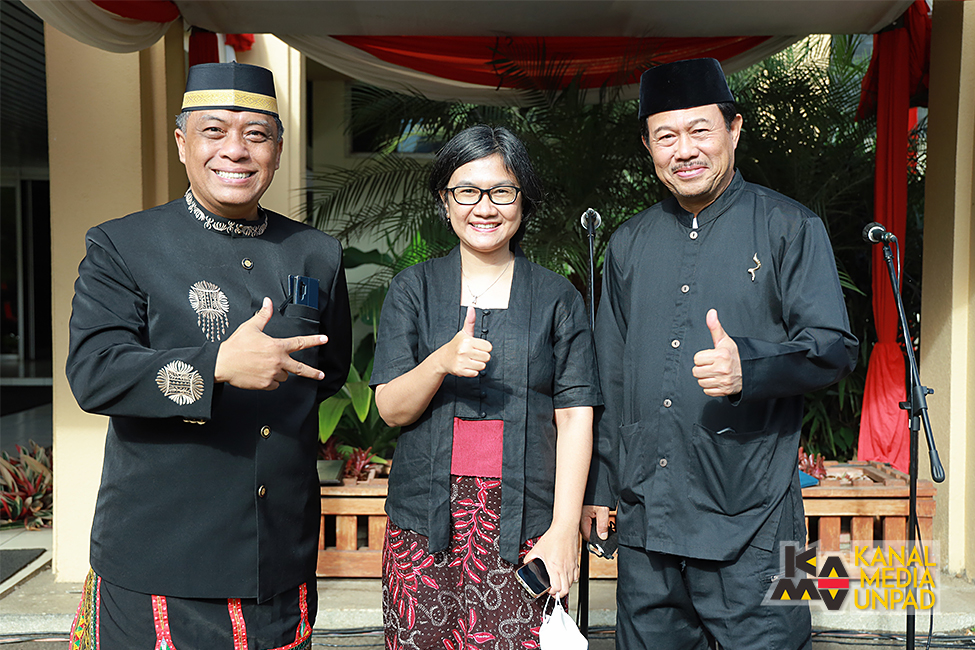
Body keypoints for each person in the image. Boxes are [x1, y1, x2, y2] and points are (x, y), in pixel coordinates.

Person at [65, 62, 352, 649]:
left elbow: (328, 371)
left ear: (277, 149)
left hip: (279, 554)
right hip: (162, 555)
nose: (235, 151)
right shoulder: (124, 245)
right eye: (214, 131)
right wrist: (215, 367)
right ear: (181, 143)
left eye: (256, 134)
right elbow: (95, 373)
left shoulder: (316, 252)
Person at [582, 58, 858, 650]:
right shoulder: (627, 244)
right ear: (648, 146)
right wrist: (600, 487)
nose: (684, 150)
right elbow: (609, 376)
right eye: (666, 136)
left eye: (700, 130)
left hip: (762, 514)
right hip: (647, 518)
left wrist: (748, 368)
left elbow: (834, 348)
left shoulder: (791, 226)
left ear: (733, 129)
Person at [371, 125, 600, 648]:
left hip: (527, 525)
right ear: (444, 200)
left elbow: (575, 415)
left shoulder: (556, 297)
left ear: (524, 200)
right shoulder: (413, 289)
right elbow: (391, 409)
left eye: (502, 191)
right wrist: (439, 362)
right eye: (467, 191)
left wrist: (564, 528)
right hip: (424, 527)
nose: (484, 207)